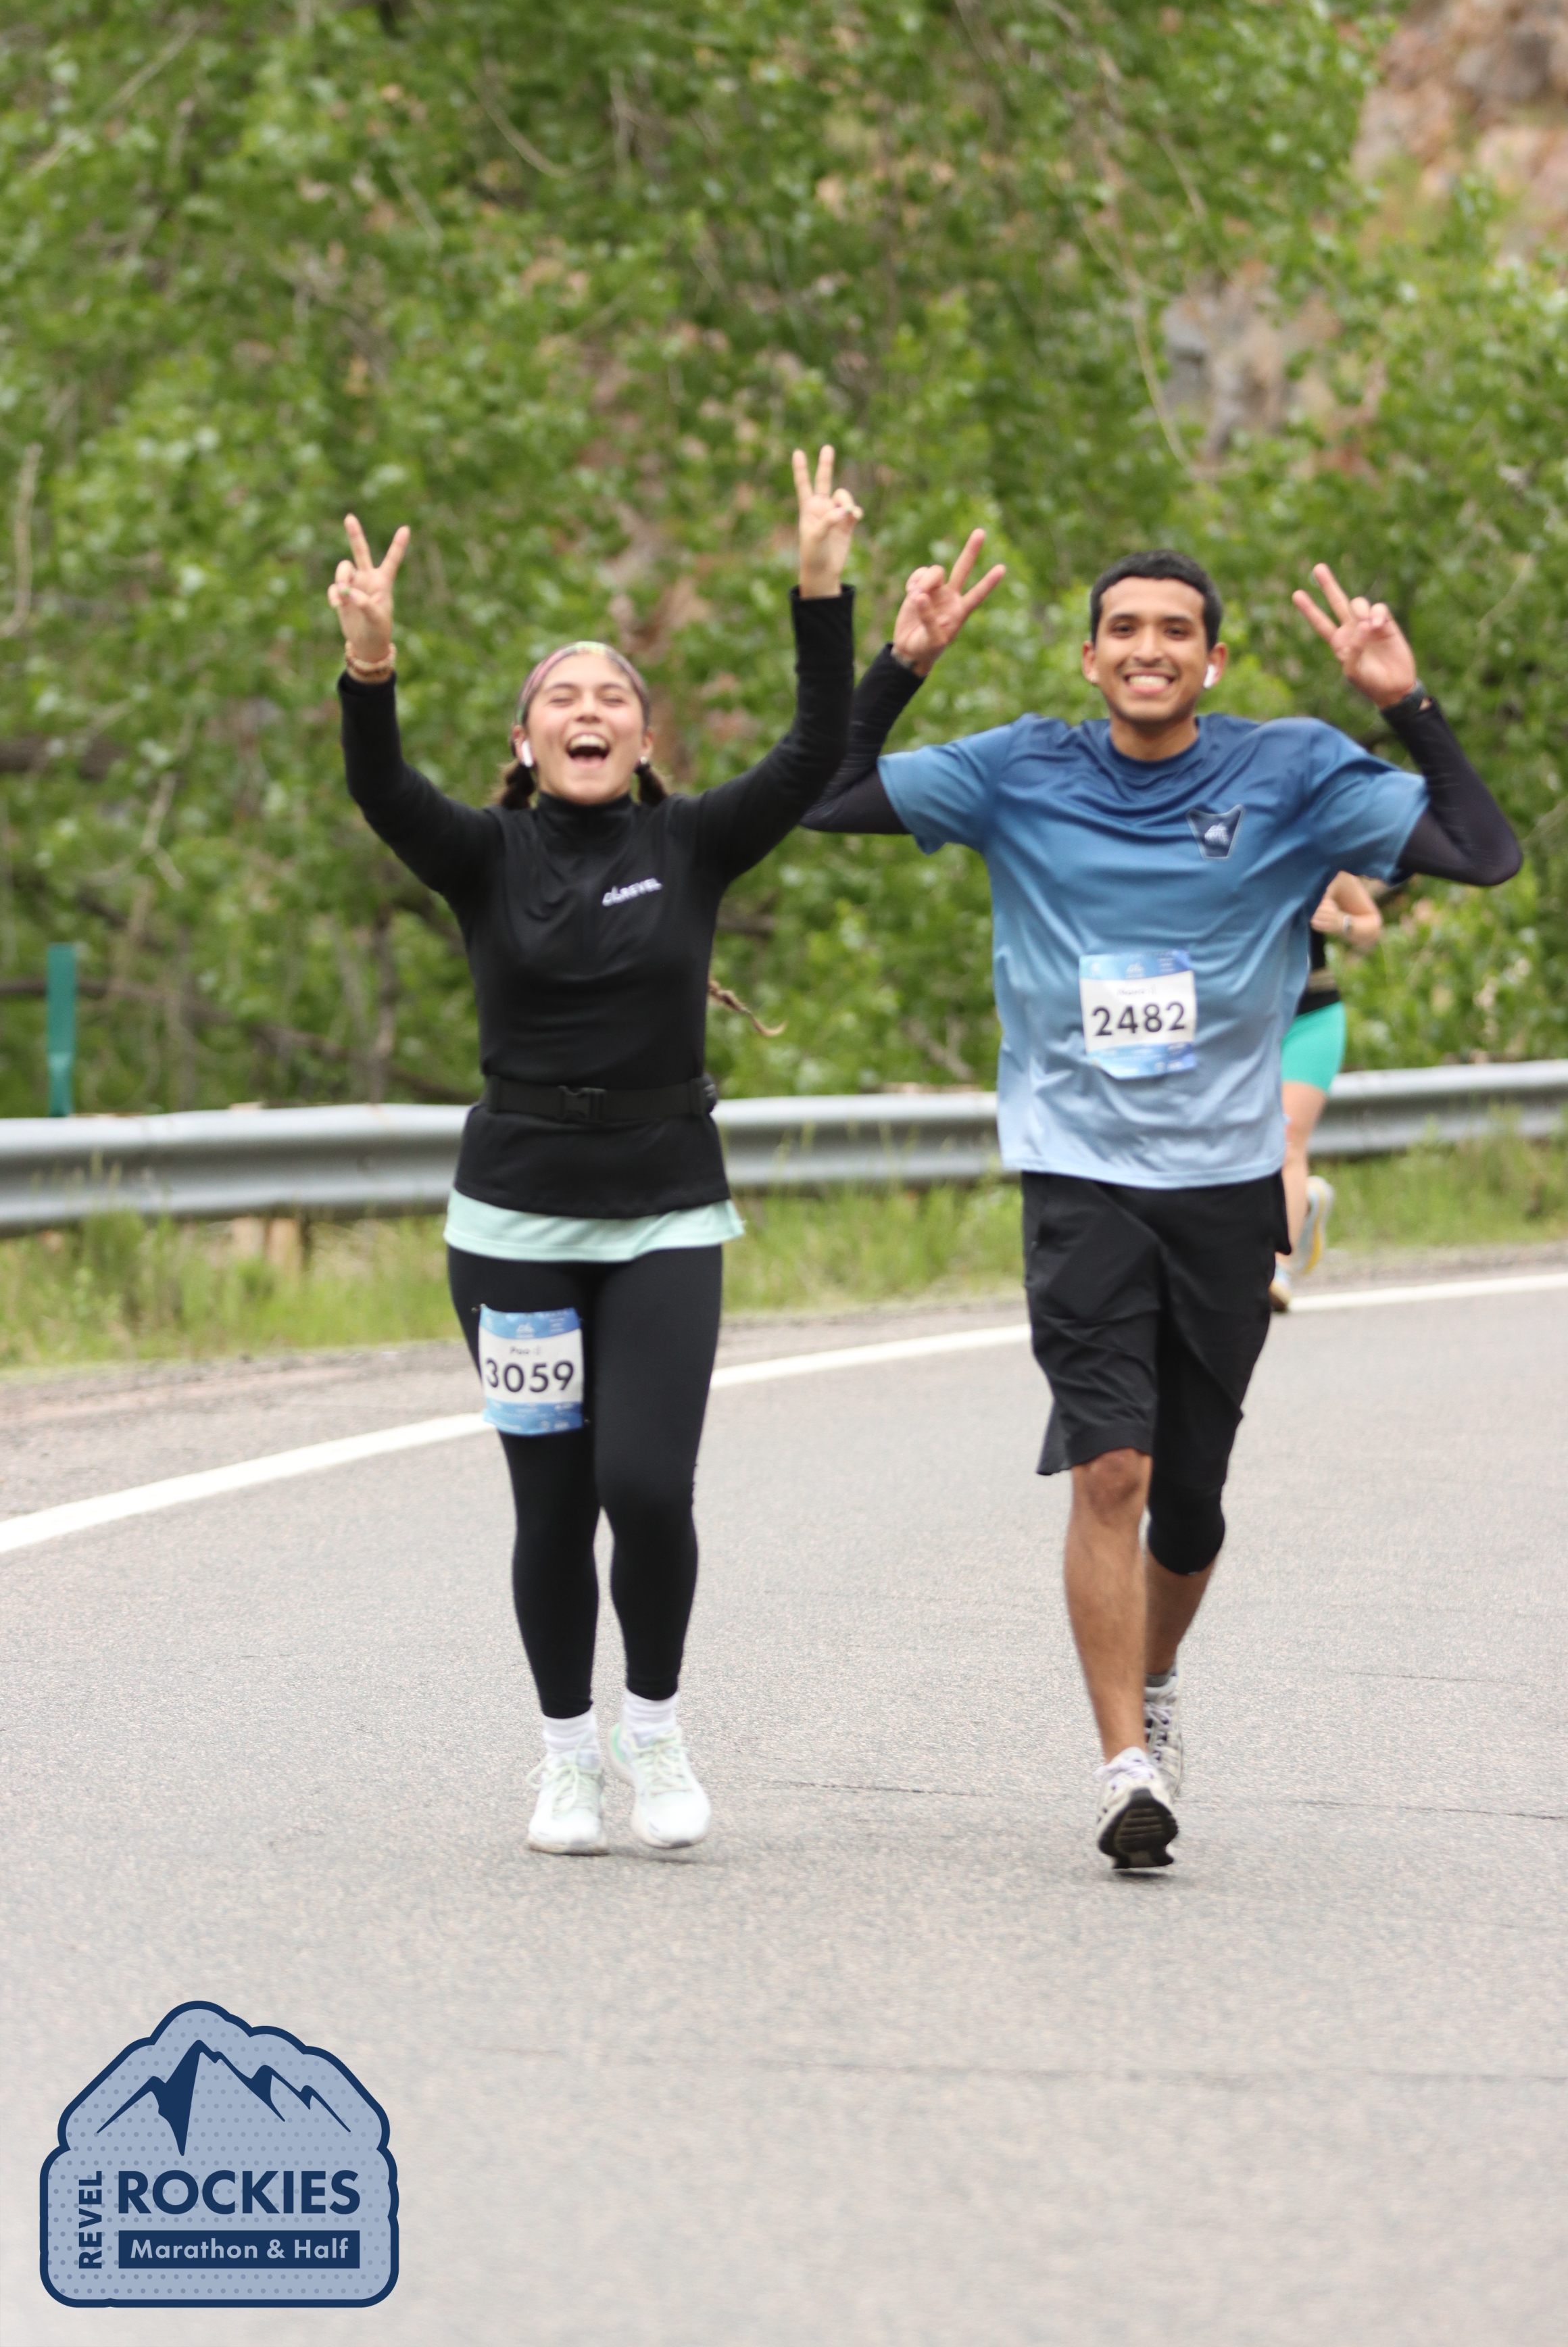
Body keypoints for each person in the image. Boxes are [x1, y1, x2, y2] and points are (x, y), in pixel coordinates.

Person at [806, 545, 1519, 1868]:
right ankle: (1122, 1760)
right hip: (1077, 1169)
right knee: (1111, 1467)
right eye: (1123, 629)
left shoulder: (1291, 771)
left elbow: (1485, 852)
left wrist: (1402, 700)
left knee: (1187, 1500)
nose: (1148, 648)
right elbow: (824, 794)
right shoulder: (1020, 769)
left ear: (1212, 659)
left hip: (1227, 1182)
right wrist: (899, 666)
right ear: (1090, 657)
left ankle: (1157, 1677)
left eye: (1175, 630)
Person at [330, 448, 859, 1856]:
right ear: (525, 741)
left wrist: (820, 590)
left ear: (641, 735)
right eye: (562, 696)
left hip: (666, 1208)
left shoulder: (692, 843)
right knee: (553, 1504)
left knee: (645, 1485)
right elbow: (380, 789)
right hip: (512, 1219)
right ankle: (565, 1756)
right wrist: (370, 664)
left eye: (612, 695)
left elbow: (813, 752)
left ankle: (655, 1728)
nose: (588, 709)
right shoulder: (482, 856)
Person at [1269, 870, 1383, 1311]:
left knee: (1286, 1140)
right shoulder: (1225, 854)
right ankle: (1305, 1206)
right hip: (1249, 1020)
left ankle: (1277, 1267)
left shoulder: (1323, 861)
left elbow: (1370, 922)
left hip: (1312, 1018)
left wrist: (1344, 924)